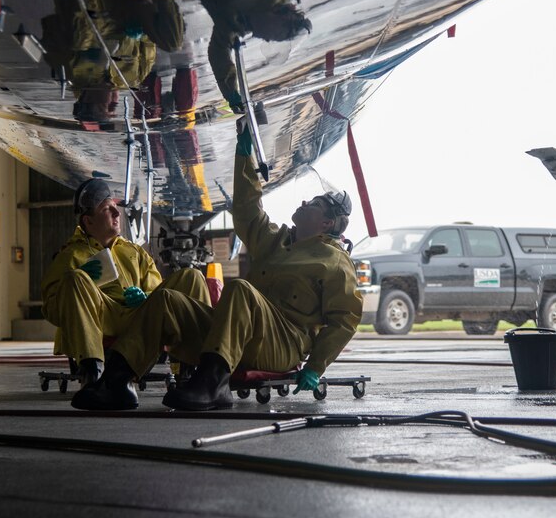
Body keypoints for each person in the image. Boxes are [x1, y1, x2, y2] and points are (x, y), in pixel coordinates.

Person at [71, 120, 363, 411]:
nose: (303, 201)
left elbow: (344, 319)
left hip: (282, 343)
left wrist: (316, 365)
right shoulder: (275, 240)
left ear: (327, 223)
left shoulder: (334, 261)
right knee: (167, 300)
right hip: (238, 335)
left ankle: (214, 384)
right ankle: (117, 382)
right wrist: (244, 153)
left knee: (240, 290)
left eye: (313, 204)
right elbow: (248, 209)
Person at [41, 178, 209, 388]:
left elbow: (157, 290)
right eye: (106, 209)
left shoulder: (134, 251)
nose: (116, 213)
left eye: (115, 207)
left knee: (191, 277)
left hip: (140, 318)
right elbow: (51, 310)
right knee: (76, 278)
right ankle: (93, 372)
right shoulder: (71, 255)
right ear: (88, 221)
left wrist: (146, 297)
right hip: (102, 318)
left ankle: (195, 369)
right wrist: (78, 281)